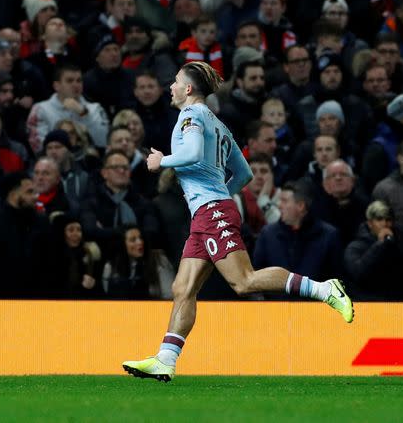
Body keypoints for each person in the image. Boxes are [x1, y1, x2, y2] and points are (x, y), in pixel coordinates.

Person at [122, 62, 353, 383]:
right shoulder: (219, 125)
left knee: (243, 281)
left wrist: (163, 162)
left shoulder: (190, 116)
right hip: (209, 210)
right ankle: (165, 359)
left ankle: (324, 289)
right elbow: (243, 173)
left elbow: (189, 154)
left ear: (188, 89)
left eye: (175, 82)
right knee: (182, 287)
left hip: (211, 210)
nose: (171, 87)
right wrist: (221, 195)